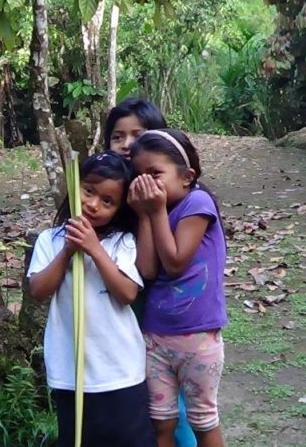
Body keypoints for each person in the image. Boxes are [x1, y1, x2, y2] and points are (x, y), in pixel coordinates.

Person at [27, 151, 156, 447]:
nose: (93, 204)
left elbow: (126, 294)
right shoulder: (50, 239)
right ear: (75, 186)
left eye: (107, 201)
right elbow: (38, 291)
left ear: (118, 209)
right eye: (89, 191)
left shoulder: (122, 241)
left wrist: (95, 249)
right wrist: (69, 251)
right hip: (70, 372)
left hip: (120, 370)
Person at [104, 97, 198, 447]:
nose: (127, 144)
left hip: (161, 313)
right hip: (116, 314)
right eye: (117, 136)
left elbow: (149, 269)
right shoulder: (103, 191)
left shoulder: (176, 197)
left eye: (137, 134)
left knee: (174, 405)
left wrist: (146, 211)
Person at [129, 129, 227, 447]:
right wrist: (146, 214)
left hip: (198, 337)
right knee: (162, 422)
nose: (146, 183)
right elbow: (147, 269)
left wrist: (154, 211)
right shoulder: (156, 211)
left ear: (186, 176)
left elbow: (174, 263)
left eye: (155, 174)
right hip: (156, 337)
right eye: (139, 175)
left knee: (203, 421)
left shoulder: (197, 202)